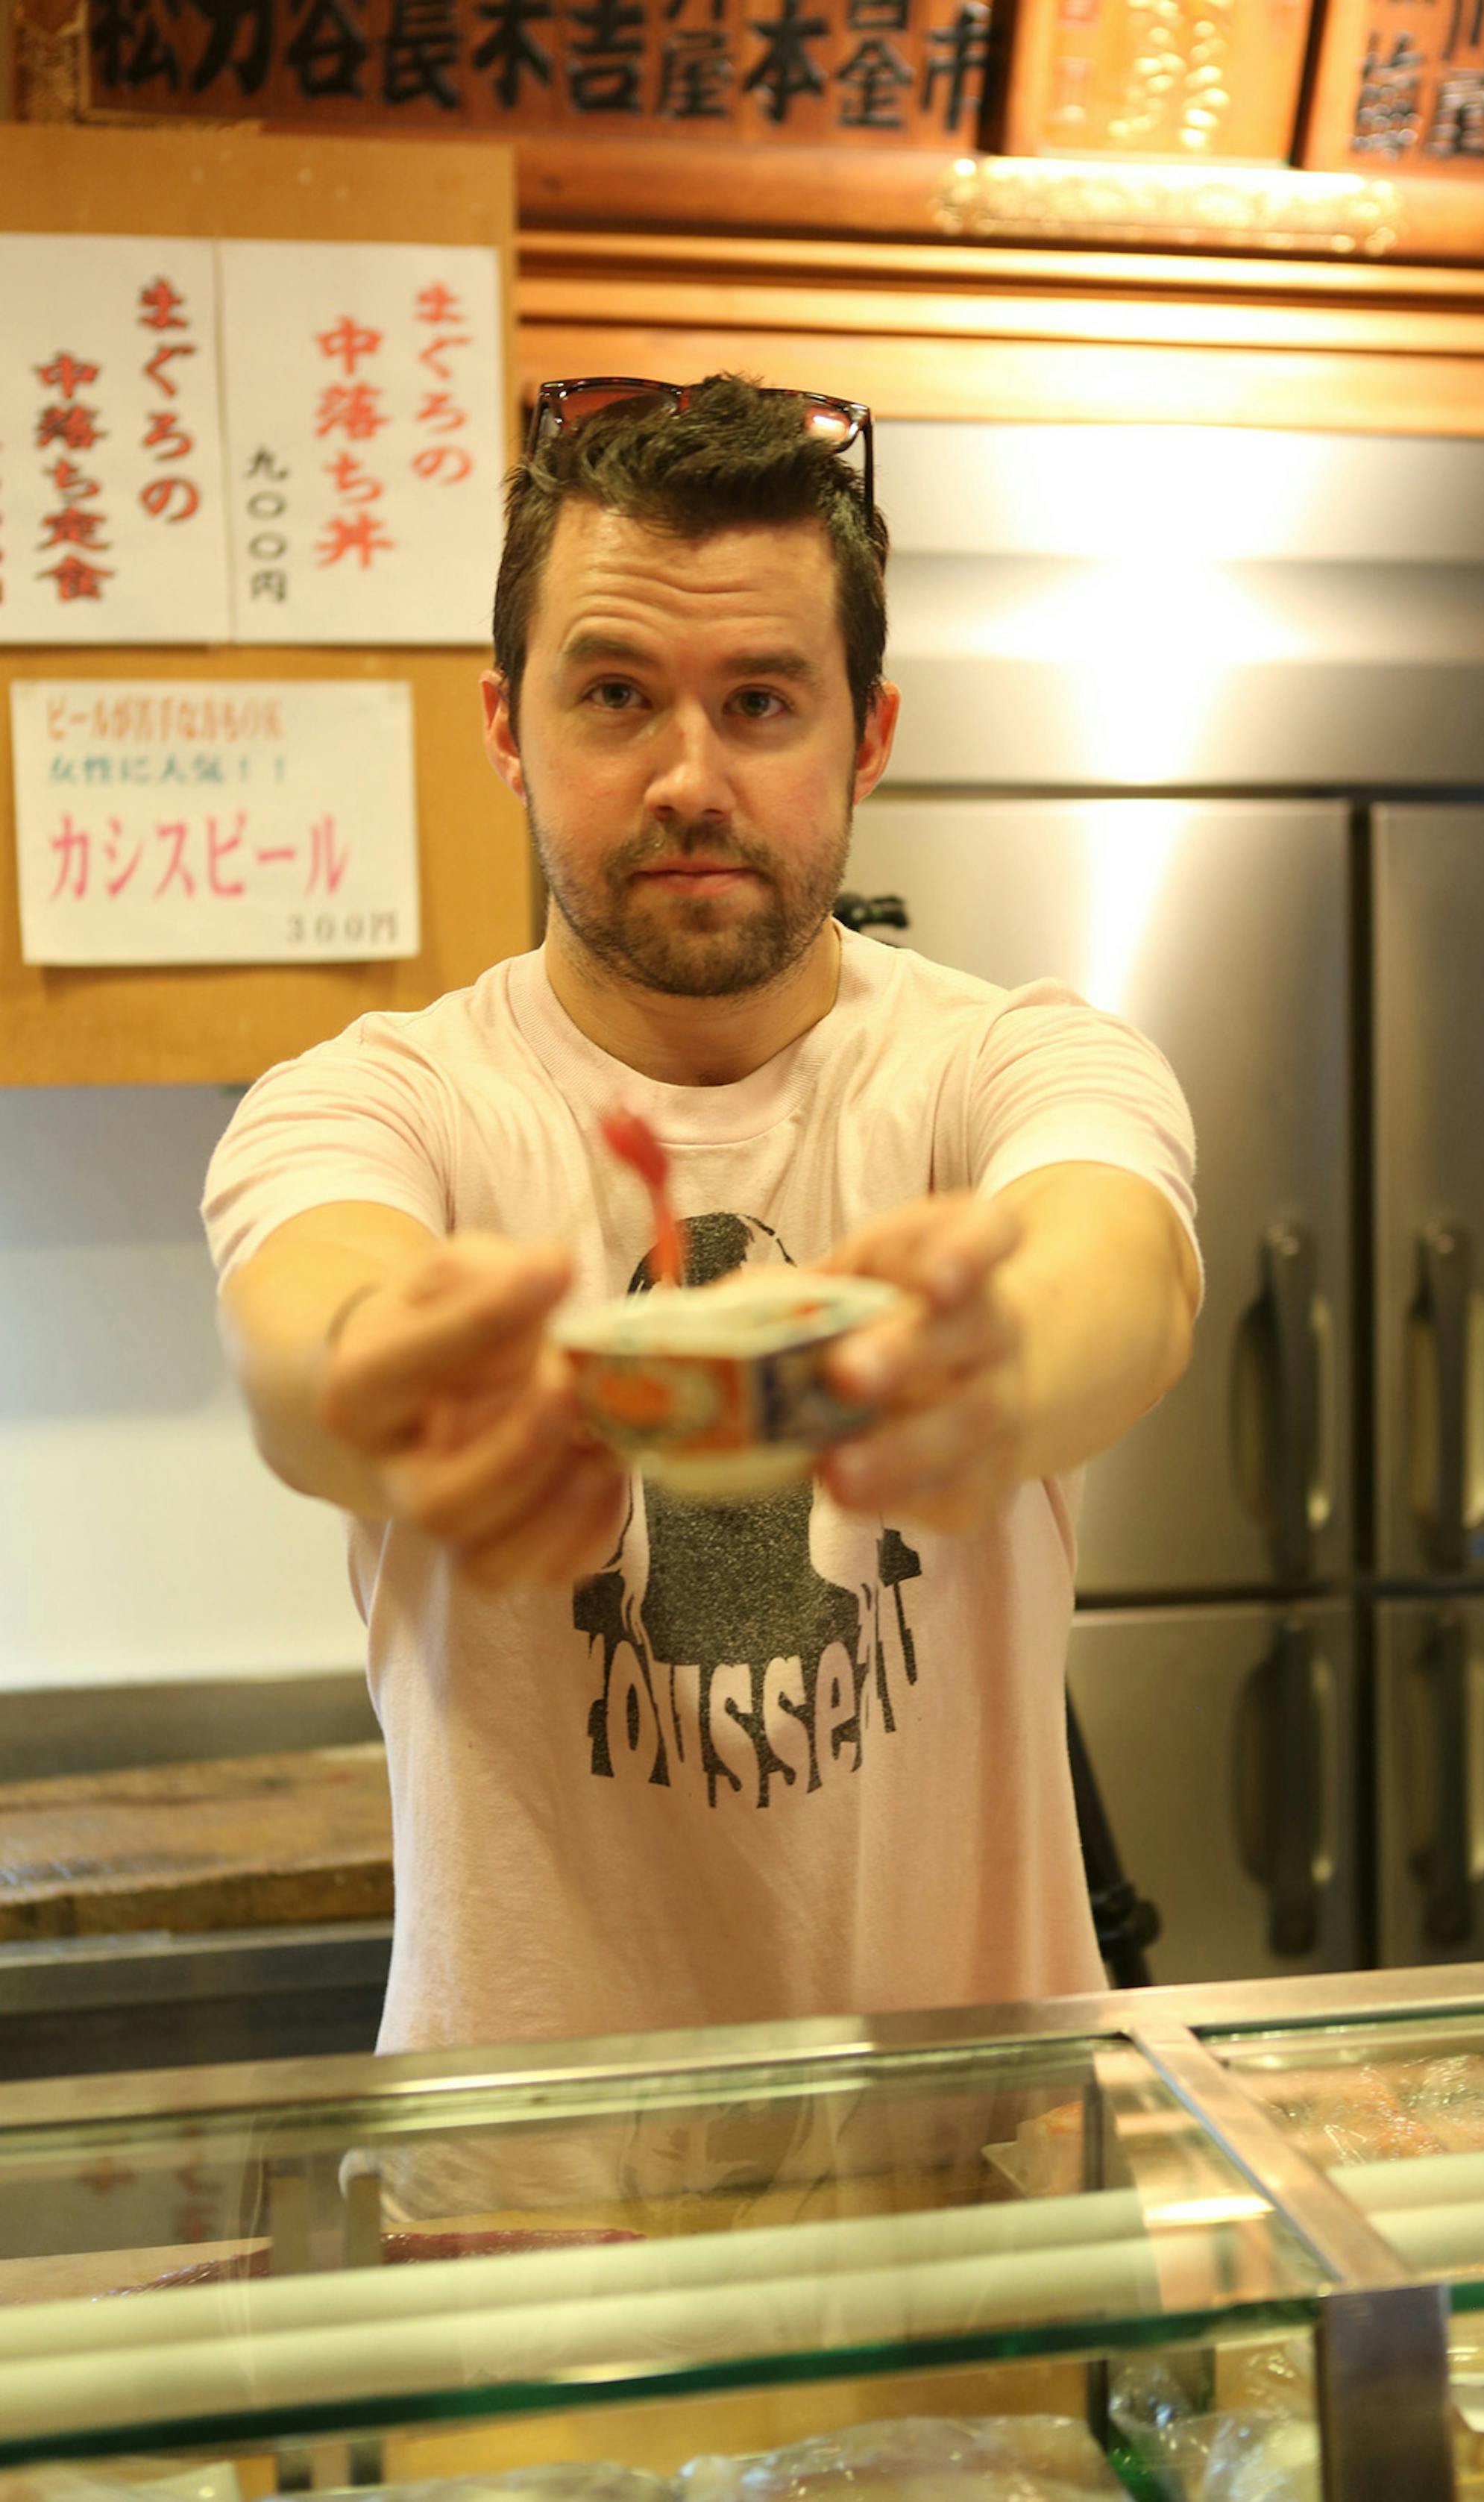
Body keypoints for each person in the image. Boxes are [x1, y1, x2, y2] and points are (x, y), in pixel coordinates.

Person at [204, 373, 1201, 2086]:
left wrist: (1000, 1362)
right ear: (508, 726)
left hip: (973, 2172)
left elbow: (1120, 1262)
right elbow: (309, 1319)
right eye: (613, 696)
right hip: (530, 2198)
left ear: (865, 734)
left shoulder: (1008, 1058)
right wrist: (390, 1386)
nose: (688, 777)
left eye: (760, 700)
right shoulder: (377, 1098)